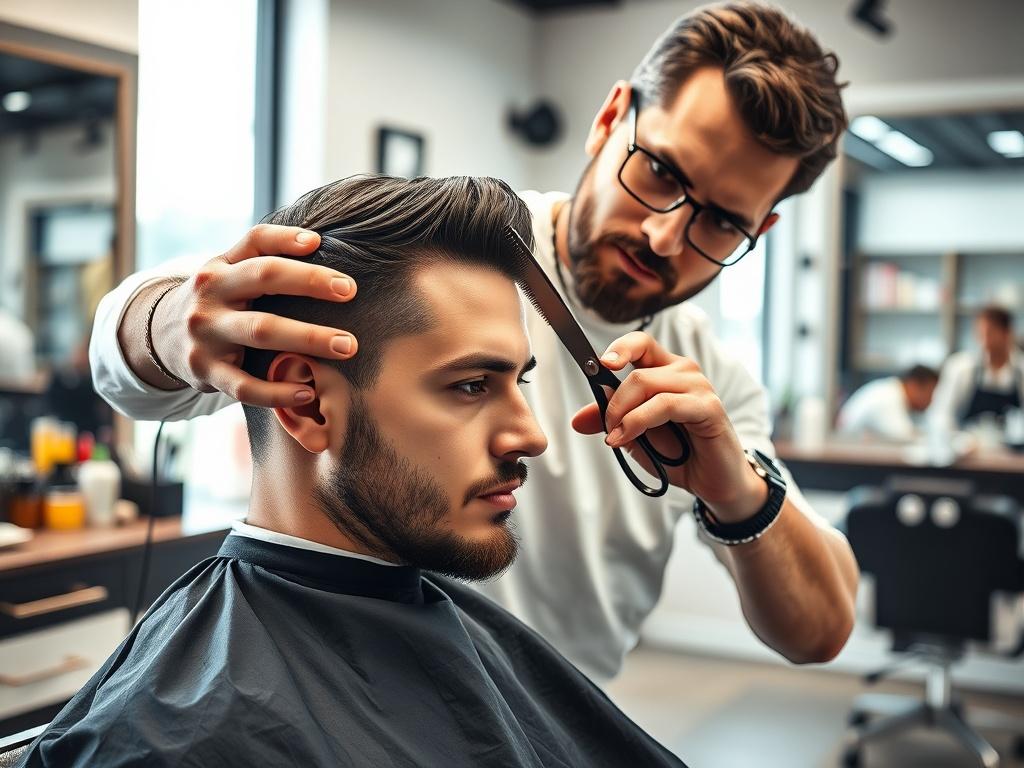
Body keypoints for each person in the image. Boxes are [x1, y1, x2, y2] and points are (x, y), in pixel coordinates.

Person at [89, 2, 859, 680]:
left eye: (721, 222)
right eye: (659, 171)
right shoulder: (453, 257)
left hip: (543, 725)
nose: (665, 234)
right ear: (609, 118)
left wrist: (738, 494)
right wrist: (166, 324)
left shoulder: (713, 384)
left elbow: (820, 631)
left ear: (763, 228)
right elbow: (128, 358)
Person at [19, 176, 686, 768]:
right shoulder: (179, 736)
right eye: (471, 385)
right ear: (307, 403)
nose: (532, 435)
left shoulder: (435, 616)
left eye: (519, 382)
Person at [930, 304, 1023, 432]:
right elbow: (940, 414)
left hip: (1012, 450)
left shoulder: (1021, 369)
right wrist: (957, 441)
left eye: (990, 333)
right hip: (969, 446)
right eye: (980, 333)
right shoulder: (960, 367)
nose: (983, 340)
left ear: (1007, 333)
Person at [836, 365, 939, 441]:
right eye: (930, 393)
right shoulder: (888, 396)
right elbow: (903, 437)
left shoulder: (892, 390)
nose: (931, 400)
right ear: (914, 385)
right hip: (847, 458)